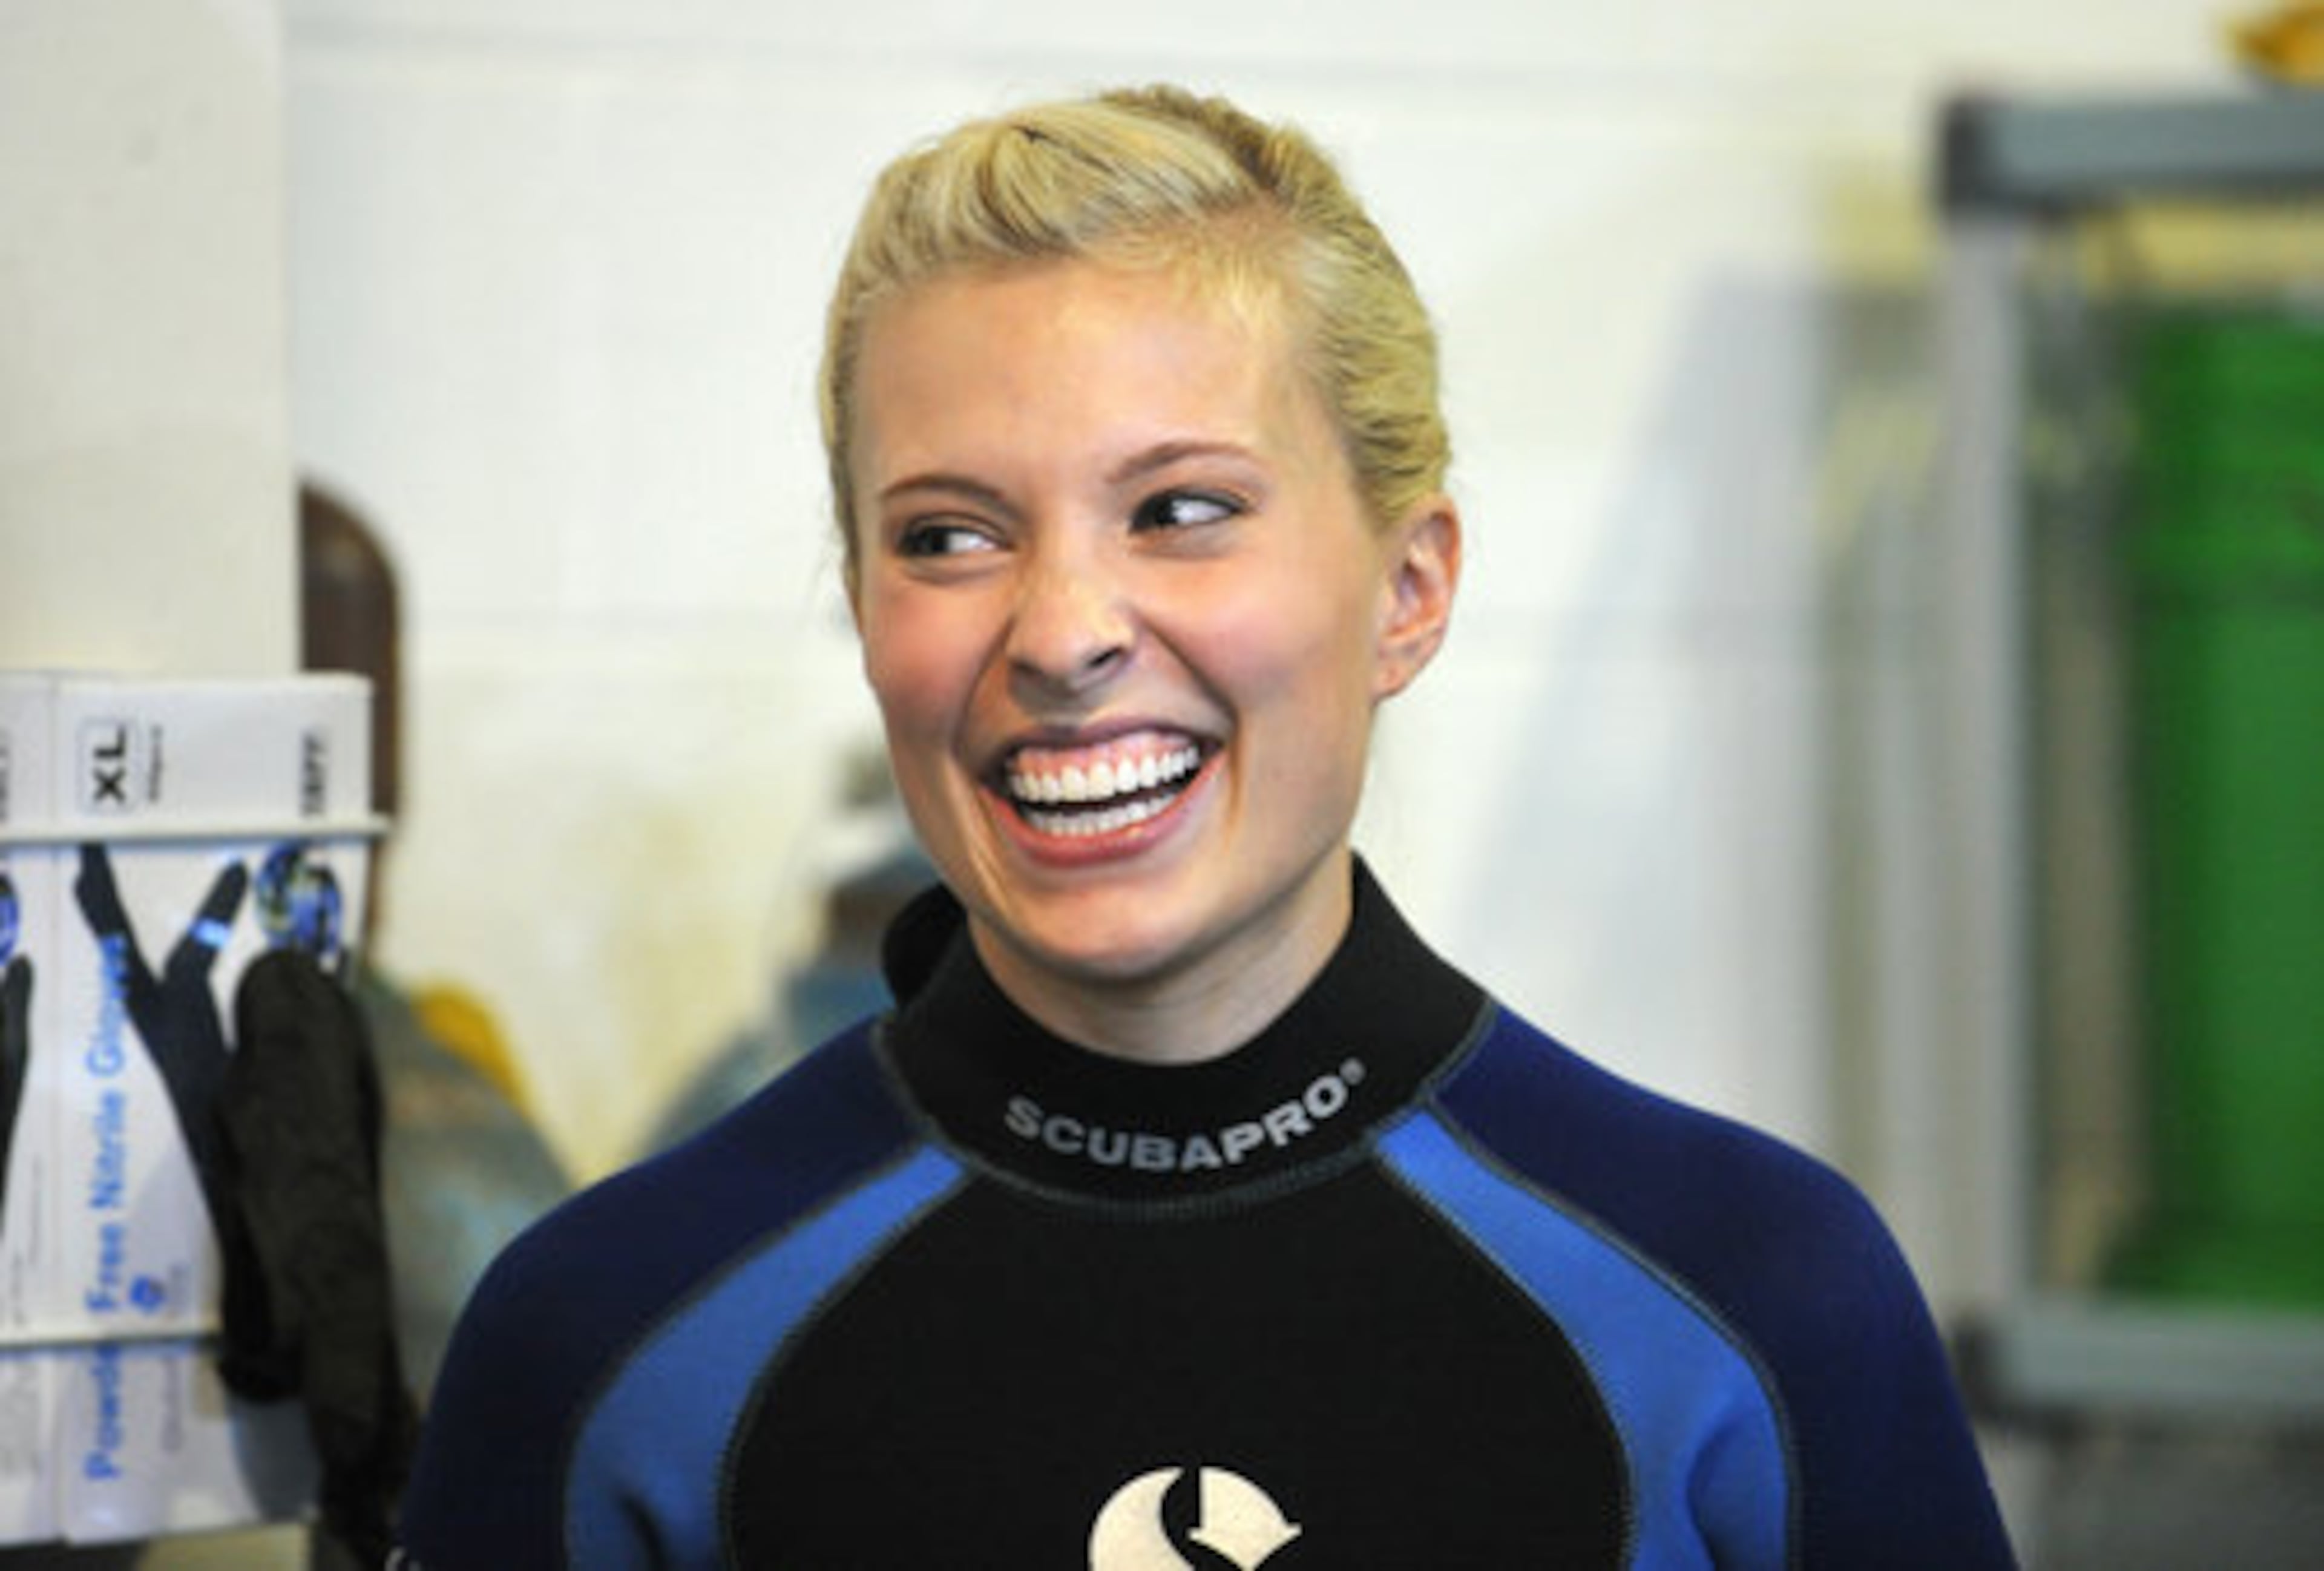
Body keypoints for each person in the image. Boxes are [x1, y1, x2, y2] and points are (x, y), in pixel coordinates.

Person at [393, 85, 2018, 1569]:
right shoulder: (608, 1341)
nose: (1061, 631)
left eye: (1181, 510)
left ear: (1410, 587)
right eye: (951, 535)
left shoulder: (1756, 1307)